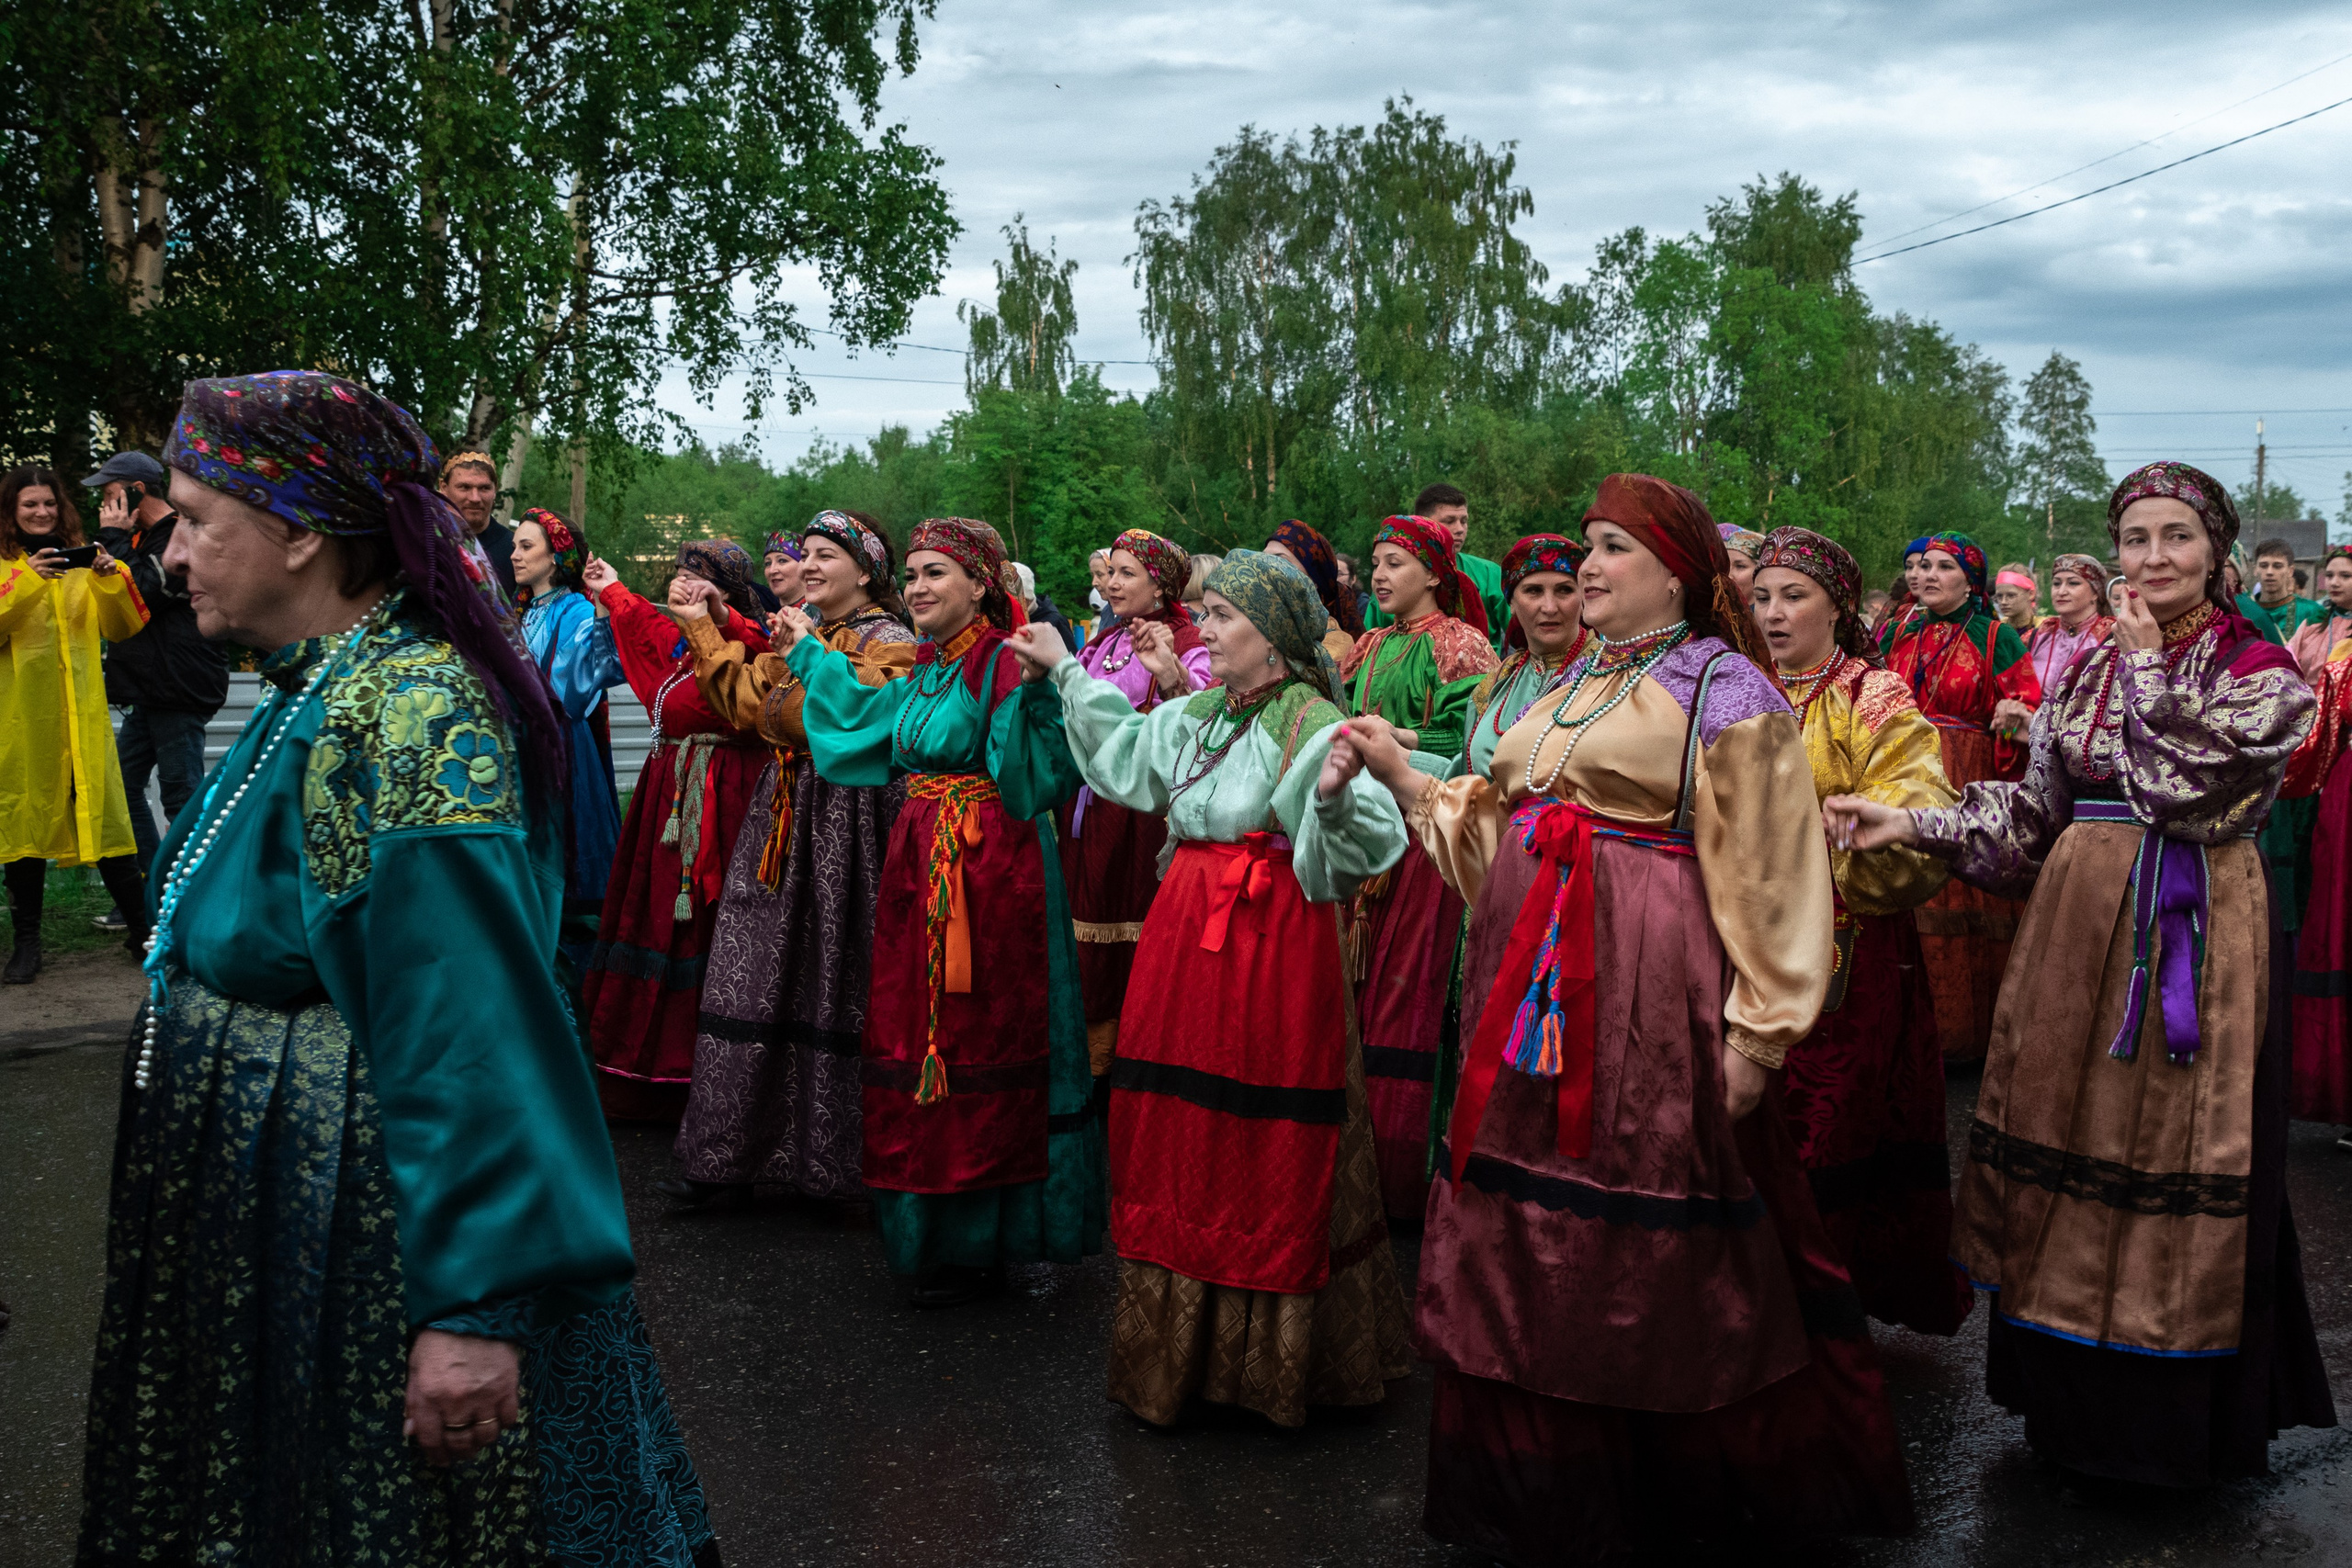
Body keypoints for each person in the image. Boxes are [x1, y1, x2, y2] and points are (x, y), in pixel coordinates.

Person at [82, 370, 716, 1563]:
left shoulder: (414, 709)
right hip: (321, 1245)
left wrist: (472, 1308)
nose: (172, 557)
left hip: (390, 1258)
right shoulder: (315, 687)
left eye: (198, 522)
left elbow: (470, 1020)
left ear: (303, 532)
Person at [1330, 473, 1911, 1563]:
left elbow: (1777, 867)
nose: (1588, 568)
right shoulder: (1566, 684)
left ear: (1678, 574)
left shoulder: (1725, 689)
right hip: (1528, 990)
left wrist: (1757, 1032)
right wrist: (1410, 776)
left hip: (1651, 987)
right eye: (1588, 547)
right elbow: (1505, 832)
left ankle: (1656, 1495)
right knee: (1522, 1225)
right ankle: (1537, 1488)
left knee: (1640, 1219)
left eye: (1613, 549)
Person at [1826, 460, 2335, 1489]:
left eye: (2174, 539)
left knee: (2166, 1143)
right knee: (2070, 1134)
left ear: (2217, 554)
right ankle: (2068, 1410)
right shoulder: (2088, 670)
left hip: (2189, 934)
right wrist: (1913, 823)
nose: (2150, 560)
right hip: (2071, 933)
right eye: (2134, 539)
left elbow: (2180, 793)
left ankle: (2167, 1428)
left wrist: (2146, 668)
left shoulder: (2260, 672)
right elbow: (2030, 813)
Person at [1007, 550, 1413, 1427]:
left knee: (1262, 1131)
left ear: (1276, 640)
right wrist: (1069, 669)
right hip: (1183, 936)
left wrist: (1338, 797)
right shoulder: (1201, 712)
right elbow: (1123, 755)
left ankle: (1267, 1361)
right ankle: (1184, 1353)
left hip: (1271, 945)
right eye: (1214, 611)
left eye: (1227, 615)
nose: (1210, 629)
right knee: (1177, 1125)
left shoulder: (1310, 721)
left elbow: (1369, 840)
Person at [775, 516, 1101, 1308]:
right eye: (913, 574)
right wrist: (812, 655)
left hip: (996, 879)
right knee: (922, 1038)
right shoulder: (926, 663)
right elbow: (866, 726)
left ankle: (1006, 1237)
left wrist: (1037, 700)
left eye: (936, 574)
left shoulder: (1000, 662)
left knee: (988, 1034)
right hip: (919, 870)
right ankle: (938, 1236)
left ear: (981, 584)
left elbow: (1034, 780)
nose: (918, 587)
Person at [1751, 526, 1971, 1336]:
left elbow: (1922, 802)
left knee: (1824, 1126)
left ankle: (1814, 1319)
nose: (1774, 613)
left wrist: (1861, 828)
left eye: (1794, 596)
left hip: (1847, 952)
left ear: (1840, 607)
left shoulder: (1872, 693)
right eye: (1763, 595)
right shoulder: (1734, 685)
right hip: (1738, 943)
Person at [665, 510, 918, 1209]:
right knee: (759, 970)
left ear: (866, 570)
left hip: (851, 822)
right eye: (803, 553)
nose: (808, 566)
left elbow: (836, 713)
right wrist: (704, 626)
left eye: (825, 555)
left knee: (836, 972)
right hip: (783, 814)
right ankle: (732, 1158)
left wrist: (802, 653)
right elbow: (748, 704)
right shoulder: (813, 630)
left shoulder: (891, 641)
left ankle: (834, 1165)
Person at [580, 539, 772, 1122]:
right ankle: (644, 1076)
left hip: (723, 802)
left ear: (724, 591)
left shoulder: (745, 642)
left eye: (700, 576)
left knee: (706, 931)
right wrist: (608, 585)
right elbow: (637, 622)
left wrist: (720, 617)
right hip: (666, 802)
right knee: (654, 918)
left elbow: (761, 655)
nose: (684, 583)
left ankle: (708, 1079)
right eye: (681, 573)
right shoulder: (676, 648)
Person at [1341, 513, 1498, 1217]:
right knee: (1357, 990)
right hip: (1359, 830)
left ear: (1435, 573)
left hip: (1421, 835)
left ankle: (1402, 1172)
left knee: (1409, 994)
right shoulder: (1366, 643)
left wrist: (1394, 740)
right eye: (1375, 562)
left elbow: (1473, 740)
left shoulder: (1463, 644)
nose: (1379, 574)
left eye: (1396, 562)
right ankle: (1351, 1163)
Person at [1878, 531, 2043, 1062]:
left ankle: (1960, 1038)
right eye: (1922, 566)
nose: (1926, 575)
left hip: (1962, 773)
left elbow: (2026, 702)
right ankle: (1894, 1032)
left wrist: (2015, 714)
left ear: (1970, 580)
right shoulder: (1895, 631)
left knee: (1957, 893)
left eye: (1943, 567)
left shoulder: (1996, 636)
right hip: (1900, 769)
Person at [1057, 529, 1212, 1085]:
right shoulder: (1102, 641)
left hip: (1146, 813)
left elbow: (1203, 713)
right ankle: (1090, 1064)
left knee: (1138, 928)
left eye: (1126, 573)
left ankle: (1138, 1059)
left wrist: (1169, 669)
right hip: (1091, 810)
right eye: (1110, 571)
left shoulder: (1190, 636)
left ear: (1160, 582)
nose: (1111, 583)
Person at [0, 468, 153, 984]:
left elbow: (125, 625)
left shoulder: (84, 561)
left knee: (109, 824)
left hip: (83, 720)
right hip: (22, 721)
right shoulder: (4, 567)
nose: (41, 513)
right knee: (25, 826)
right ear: (11, 512)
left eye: (48, 503)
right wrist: (26, 583)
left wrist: (111, 575)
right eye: (29, 506)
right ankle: (27, 944)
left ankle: (142, 930)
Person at [89, 451, 229, 916]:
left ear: (136, 490)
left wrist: (114, 540)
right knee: (123, 788)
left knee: (180, 794)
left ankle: (193, 900)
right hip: (150, 689)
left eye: (110, 492)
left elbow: (143, 589)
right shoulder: (143, 536)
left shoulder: (179, 535)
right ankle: (155, 890)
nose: (104, 503)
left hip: (179, 686)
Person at [511, 507, 626, 975]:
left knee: (563, 874)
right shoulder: (520, 609)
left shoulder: (575, 608)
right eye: (515, 545)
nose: (515, 555)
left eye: (526, 546)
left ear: (556, 557)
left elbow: (576, 695)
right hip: (522, 749)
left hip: (559, 754)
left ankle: (571, 995)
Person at [1264, 517, 1366, 661]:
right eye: (1263, 559)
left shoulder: (1333, 645)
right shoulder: (1254, 626)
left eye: (1280, 561)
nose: (1265, 569)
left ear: (1313, 580)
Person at [2025, 552, 2115, 694]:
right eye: (2056, 583)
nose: (2061, 591)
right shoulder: (2038, 636)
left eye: (2073, 583)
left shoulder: (2113, 635)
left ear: (2095, 592)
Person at [436, 449, 515, 597]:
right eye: (465, 487)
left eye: (484, 488)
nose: (475, 498)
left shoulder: (515, 551)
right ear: (444, 487)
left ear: (495, 490)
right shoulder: (429, 542)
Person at [2242, 537, 2325, 647]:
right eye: (2264, 566)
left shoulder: (2311, 612)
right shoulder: (2243, 609)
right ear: (2255, 569)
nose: (2269, 572)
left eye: (2277, 566)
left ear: (2290, 571)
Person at [2288, 547, 2352, 680]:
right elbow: (2288, 664)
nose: (2334, 583)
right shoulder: (2314, 623)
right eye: (2329, 575)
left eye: (2345, 576)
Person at [1718, 522, 1764, 603]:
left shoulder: (1770, 614)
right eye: (1725, 565)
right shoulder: (1714, 611)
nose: (1728, 575)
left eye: (1740, 566)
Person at [1992, 563, 2040, 637]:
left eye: (2011, 595)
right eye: (1999, 596)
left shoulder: (2043, 630)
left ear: (2031, 594)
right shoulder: (1996, 631)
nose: (2003, 602)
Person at [762, 530, 806, 605]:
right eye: (768, 563)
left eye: (782, 561)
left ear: (804, 566)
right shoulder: (768, 615)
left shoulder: (824, 613)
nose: (772, 570)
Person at [1336, 551, 1372, 626]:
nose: (1335, 579)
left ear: (1353, 579)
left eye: (1339, 574)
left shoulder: (1363, 604)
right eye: (1332, 574)